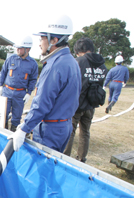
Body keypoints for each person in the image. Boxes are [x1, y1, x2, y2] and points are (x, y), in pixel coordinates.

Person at [10, 15, 81, 153]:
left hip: (49, 130)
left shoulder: (55, 65)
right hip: (63, 126)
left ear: (54, 40)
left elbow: (42, 103)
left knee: (41, 171)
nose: (39, 43)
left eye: (42, 38)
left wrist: (24, 128)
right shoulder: (72, 62)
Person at [63, 37, 107, 163]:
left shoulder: (78, 62)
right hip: (91, 104)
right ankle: (81, 158)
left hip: (76, 104)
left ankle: (65, 156)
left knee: (70, 131)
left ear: (79, 50)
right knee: (85, 132)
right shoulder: (102, 65)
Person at [0, 35, 38, 131]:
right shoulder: (11, 59)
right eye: (17, 48)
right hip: (7, 91)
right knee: (3, 116)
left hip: (20, 94)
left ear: (27, 49)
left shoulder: (33, 64)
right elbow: (3, 72)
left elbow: (33, 79)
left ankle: (12, 137)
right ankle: (3, 134)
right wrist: (0, 85)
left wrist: (29, 93)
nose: (18, 50)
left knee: (16, 118)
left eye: (20, 48)